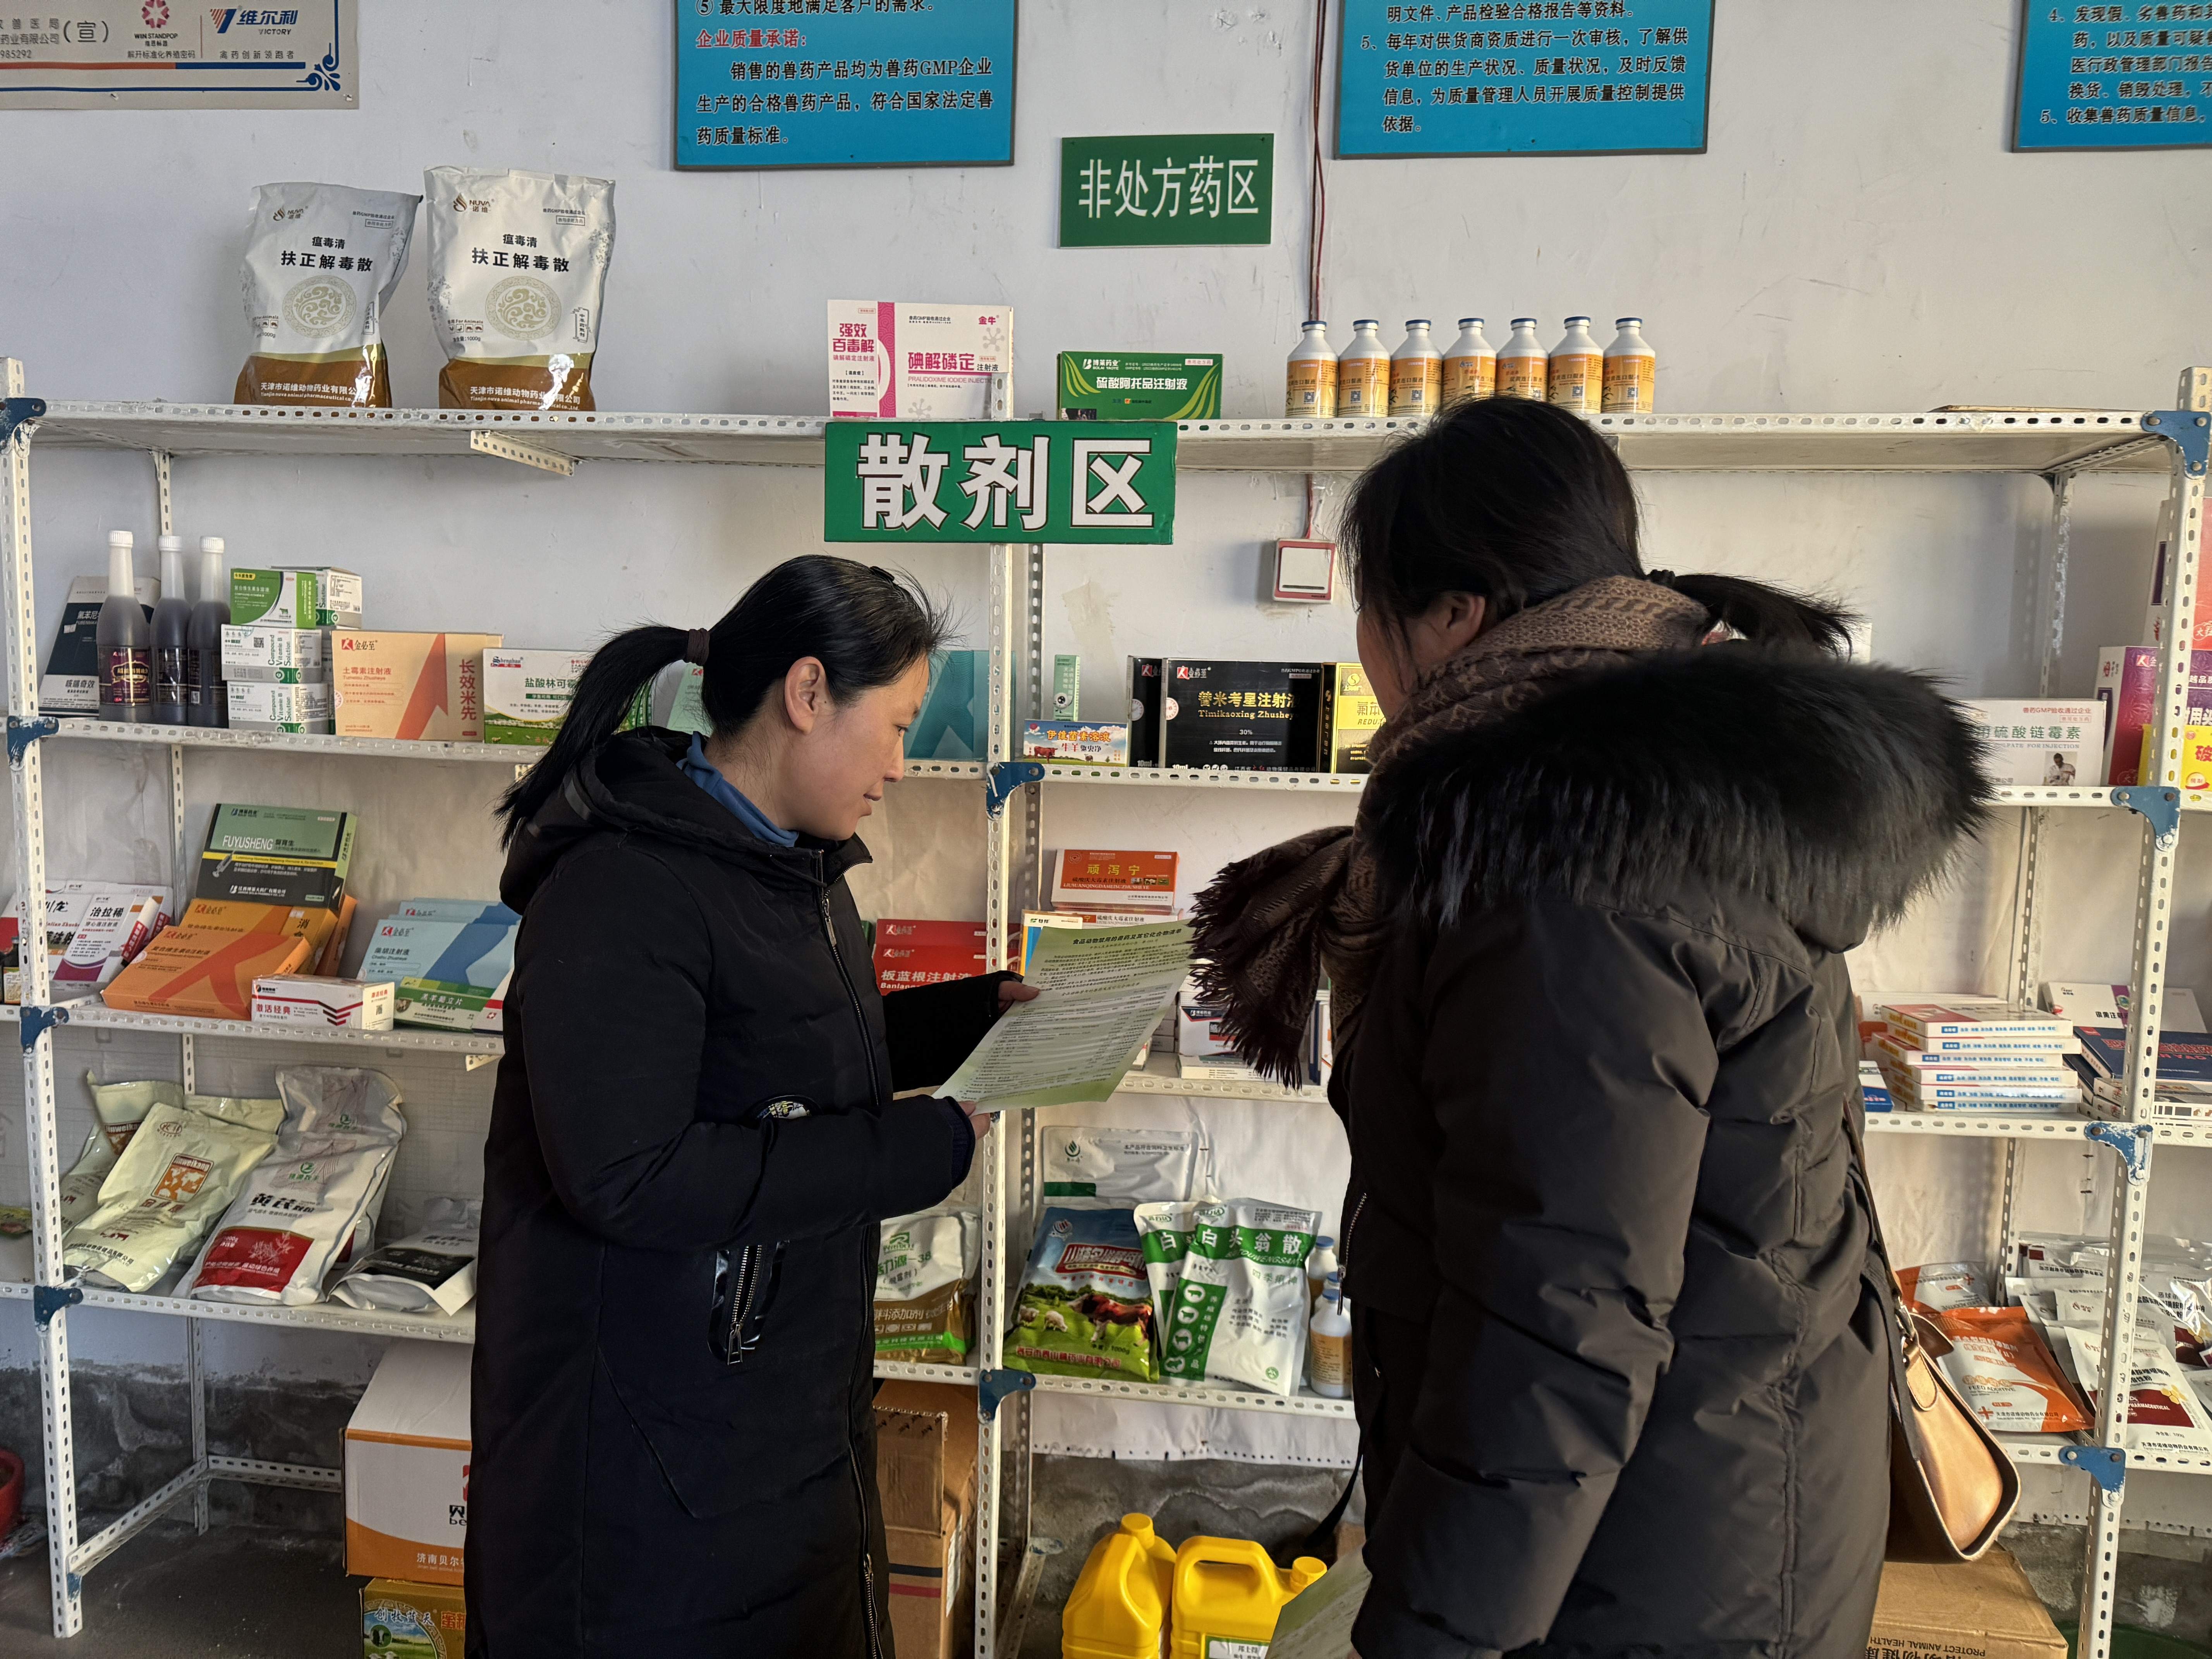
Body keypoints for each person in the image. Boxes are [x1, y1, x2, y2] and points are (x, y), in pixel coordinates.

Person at [1192, 400, 1988, 1659]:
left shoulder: (1561, 865)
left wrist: (1433, 1632)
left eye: (1368, 608)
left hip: (1646, 1561)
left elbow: (1559, 1312)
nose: (1363, 648)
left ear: (1455, 615)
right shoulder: (1676, 782)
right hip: (1710, 1492)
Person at [467, 555, 1029, 1658]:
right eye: (896, 727)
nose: (901, 766)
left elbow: (777, 1052)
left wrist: (975, 1020)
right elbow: (632, 1172)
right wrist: (909, 1153)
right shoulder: (624, 888)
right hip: (641, 1459)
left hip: (763, 1415)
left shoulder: (789, 865)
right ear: (808, 693)